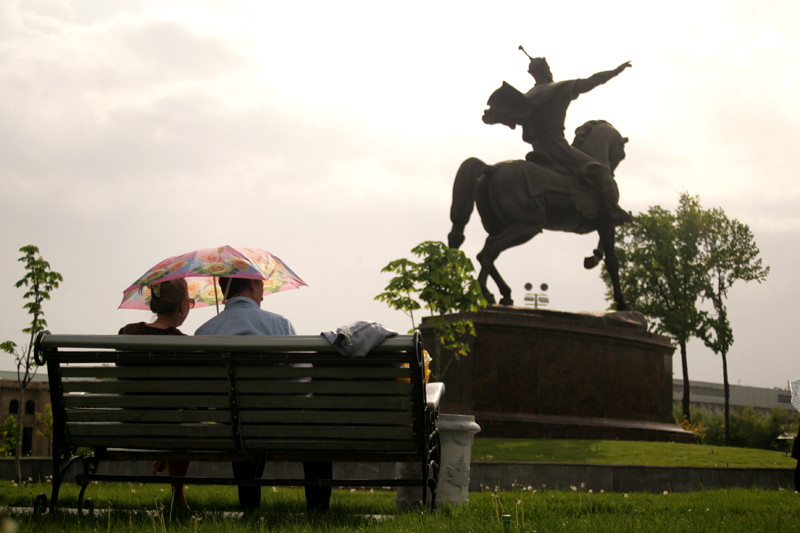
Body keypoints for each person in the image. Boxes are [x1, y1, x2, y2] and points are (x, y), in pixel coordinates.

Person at [195, 277, 333, 512]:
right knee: (316, 439)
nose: (263, 292)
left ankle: (250, 508)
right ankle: (318, 511)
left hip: (232, 429)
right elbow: (300, 384)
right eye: (261, 285)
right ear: (251, 285)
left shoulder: (204, 331)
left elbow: (203, 392)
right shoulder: (279, 325)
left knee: (240, 426)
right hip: (280, 425)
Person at [482, 52, 632, 225]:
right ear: (546, 71)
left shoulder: (528, 98)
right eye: (549, 69)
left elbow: (510, 115)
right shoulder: (559, 88)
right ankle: (612, 212)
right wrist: (615, 71)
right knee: (601, 171)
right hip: (558, 148)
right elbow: (591, 81)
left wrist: (493, 116)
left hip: (538, 149)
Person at [119, 278, 195, 510]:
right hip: (173, 429)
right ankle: (178, 497)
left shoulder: (128, 332)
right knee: (187, 418)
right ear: (182, 306)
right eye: (190, 303)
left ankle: (165, 453)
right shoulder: (185, 345)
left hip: (131, 423)